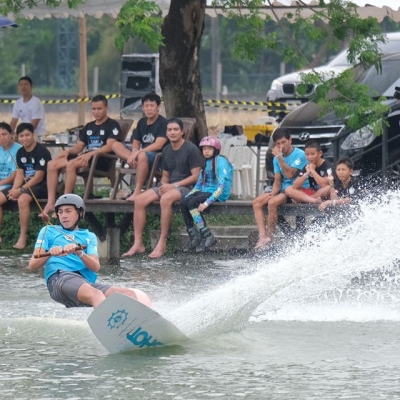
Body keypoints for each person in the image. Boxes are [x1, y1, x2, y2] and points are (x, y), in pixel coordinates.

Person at [28, 194, 152, 309]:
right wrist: (50, 253)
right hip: (59, 279)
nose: (63, 215)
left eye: (68, 211)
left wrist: (79, 253)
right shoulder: (48, 231)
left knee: (126, 294)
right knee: (96, 295)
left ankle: (145, 323)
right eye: (60, 212)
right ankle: (110, 329)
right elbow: (32, 265)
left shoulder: (89, 236)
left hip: (82, 283)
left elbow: (96, 266)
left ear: (80, 213)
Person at [123, 117, 203, 259]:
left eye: (176, 130)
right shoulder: (166, 150)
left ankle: (162, 243)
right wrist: (161, 186)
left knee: (166, 198)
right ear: (166, 133)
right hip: (171, 186)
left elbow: (196, 177)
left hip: (188, 187)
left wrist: (173, 185)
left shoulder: (191, 149)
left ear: (182, 132)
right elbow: (166, 176)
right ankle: (138, 243)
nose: (172, 132)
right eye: (170, 130)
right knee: (140, 200)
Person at [40, 95, 123, 219]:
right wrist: (68, 151)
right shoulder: (89, 126)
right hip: (86, 157)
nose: (96, 112)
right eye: (93, 109)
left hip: (102, 159)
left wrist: (90, 154)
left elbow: (110, 146)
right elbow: (79, 146)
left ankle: (65, 203)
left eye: (99, 109)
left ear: (107, 108)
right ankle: (51, 202)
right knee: (52, 164)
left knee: (71, 164)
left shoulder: (112, 125)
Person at [252, 128, 308, 249]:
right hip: (283, 189)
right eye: (278, 144)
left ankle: (270, 236)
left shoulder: (300, 154)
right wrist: (272, 193)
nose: (281, 146)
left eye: (283, 142)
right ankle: (263, 236)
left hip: (297, 189)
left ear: (290, 140)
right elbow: (277, 181)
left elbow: (289, 174)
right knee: (257, 202)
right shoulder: (276, 158)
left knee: (272, 203)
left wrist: (279, 157)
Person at [179, 136, 233, 253]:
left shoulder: (221, 162)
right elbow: (199, 185)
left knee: (192, 203)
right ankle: (194, 236)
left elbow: (221, 187)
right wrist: (187, 196)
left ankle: (207, 235)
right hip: (205, 191)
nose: (206, 151)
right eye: (204, 149)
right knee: (184, 203)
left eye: (209, 148)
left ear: (216, 149)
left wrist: (206, 203)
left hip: (218, 193)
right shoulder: (205, 163)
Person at [112, 93, 168, 202]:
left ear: (158, 107)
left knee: (142, 155)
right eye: (146, 106)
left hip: (158, 157)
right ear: (142, 108)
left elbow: (159, 144)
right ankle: (135, 161)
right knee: (115, 144)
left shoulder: (163, 123)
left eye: (152, 106)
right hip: (141, 155)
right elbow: (136, 142)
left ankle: (137, 191)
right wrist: (134, 151)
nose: (149, 109)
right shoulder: (142, 122)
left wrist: (138, 153)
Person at [7, 123, 51, 249]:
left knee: (22, 199)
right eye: (21, 136)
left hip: (43, 185)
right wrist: (14, 189)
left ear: (33, 135)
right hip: (28, 185)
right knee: (14, 195)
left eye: (27, 135)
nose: (24, 138)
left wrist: (21, 190)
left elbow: (39, 177)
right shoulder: (20, 152)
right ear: (17, 137)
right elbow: (20, 173)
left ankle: (23, 236)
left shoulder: (41, 151)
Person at [0, 122, 22, 243]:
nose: (1, 138)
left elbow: (14, 177)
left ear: (12, 134)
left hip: (13, 186)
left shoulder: (18, 149)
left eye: (4, 134)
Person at [10, 76, 46, 141]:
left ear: (31, 87)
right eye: (21, 85)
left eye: (26, 84)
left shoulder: (36, 102)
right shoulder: (17, 103)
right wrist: (9, 134)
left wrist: (19, 135)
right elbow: (13, 122)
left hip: (36, 135)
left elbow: (33, 125)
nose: (23, 87)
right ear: (18, 87)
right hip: (24, 134)